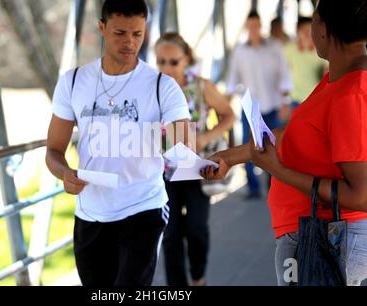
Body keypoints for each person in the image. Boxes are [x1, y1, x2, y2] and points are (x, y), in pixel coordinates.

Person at [202, 0, 367, 286]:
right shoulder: (338, 81)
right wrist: (232, 156)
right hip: (313, 233)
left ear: (324, 30)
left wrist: (277, 170)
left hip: (322, 238)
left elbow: (361, 195)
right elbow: (296, 134)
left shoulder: (351, 94)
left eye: (313, 21)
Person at [46, 0, 190, 286]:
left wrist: (184, 146)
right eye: (120, 33)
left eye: (137, 34)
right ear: (102, 28)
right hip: (89, 213)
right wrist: (64, 173)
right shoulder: (73, 81)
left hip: (143, 208)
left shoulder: (163, 85)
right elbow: (53, 150)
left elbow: (182, 146)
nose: (129, 42)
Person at [155, 33, 236, 286]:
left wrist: (206, 137)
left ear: (187, 59)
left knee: (196, 230)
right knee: (170, 235)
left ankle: (198, 277)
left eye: (173, 61)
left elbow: (228, 115)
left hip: (197, 170)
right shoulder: (152, 87)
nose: (166, 67)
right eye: (161, 61)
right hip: (164, 172)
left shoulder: (201, 86)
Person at [226, 11, 293, 199]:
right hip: (250, 107)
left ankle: (273, 185)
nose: (254, 30)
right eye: (250, 26)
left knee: (274, 147)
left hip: (272, 104)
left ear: (260, 26)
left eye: (256, 25)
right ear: (247, 27)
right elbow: (233, 78)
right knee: (249, 147)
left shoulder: (274, 47)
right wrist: (225, 99)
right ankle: (253, 187)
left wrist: (285, 101)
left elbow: (284, 74)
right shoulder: (240, 51)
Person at [284, 16, 327, 109]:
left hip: (316, 99)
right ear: (298, 32)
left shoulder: (322, 50)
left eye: (310, 30)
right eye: (304, 30)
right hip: (295, 100)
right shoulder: (289, 49)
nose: (307, 34)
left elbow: (328, 72)